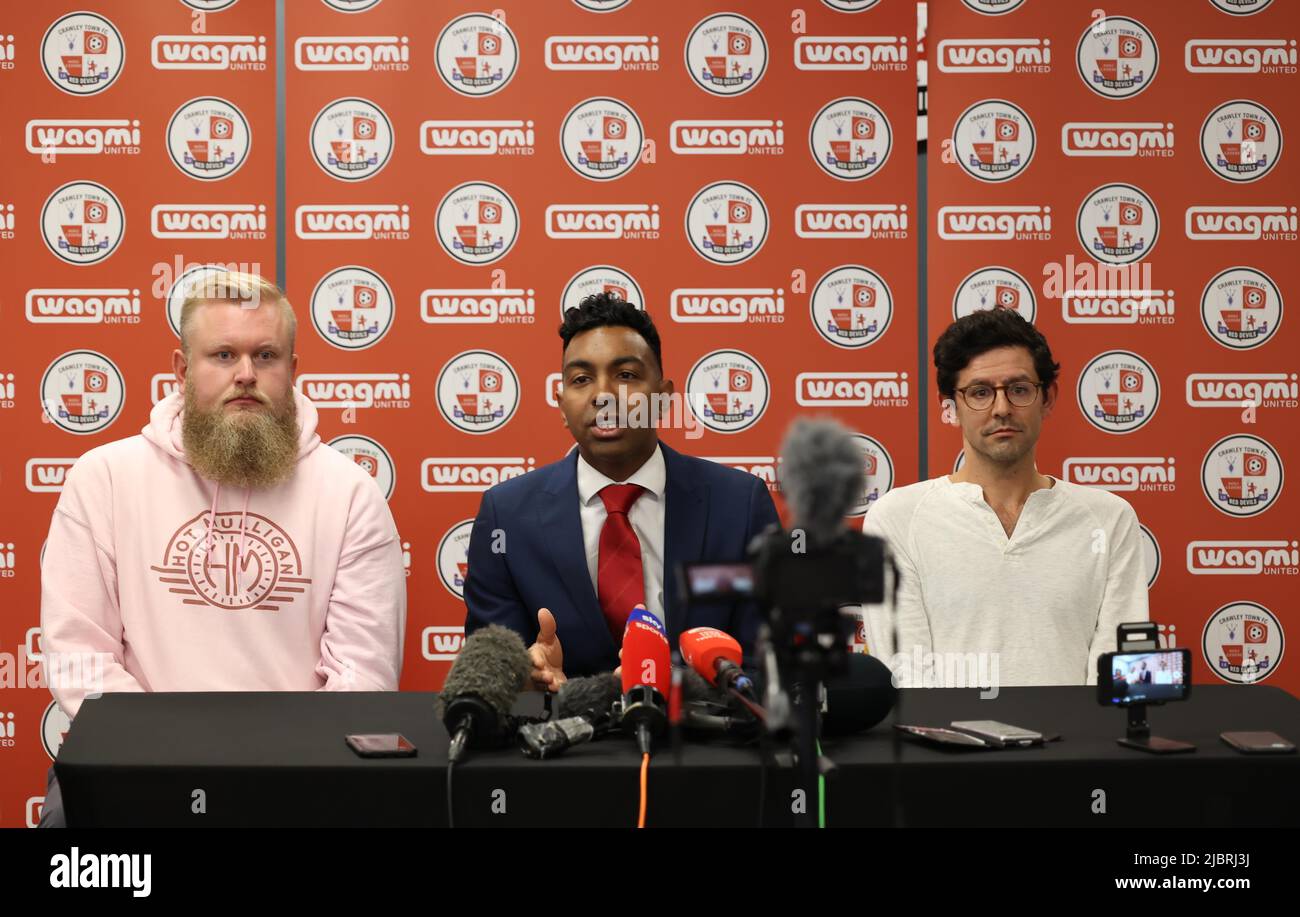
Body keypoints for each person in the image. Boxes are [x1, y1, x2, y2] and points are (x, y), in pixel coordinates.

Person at [38, 271, 405, 826]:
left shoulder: (350, 493)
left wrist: (275, 766)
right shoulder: (105, 479)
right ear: (182, 371)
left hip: (299, 770)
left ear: (294, 371)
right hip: (134, 759)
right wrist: (174, 754)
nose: (246, 375)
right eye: (223, 355)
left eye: (266, 356)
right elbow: (81, 656)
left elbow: (364, 676)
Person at [464, 293, 780, 689]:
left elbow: (767, 661)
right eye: (581, 380)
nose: (603, 394)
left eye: (626, 375)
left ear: (664, 398)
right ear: (562, 405)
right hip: (563, 738)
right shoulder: (506, 515)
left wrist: (675, 684)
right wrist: (526, 675)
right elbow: (488, 667)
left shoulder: (739, 507)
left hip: (700, 741)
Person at [863, 308, 1148, 686]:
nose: (1001, 408)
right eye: (980, 392)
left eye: (1019, 389)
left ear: (1047, 398)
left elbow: (1115, 675)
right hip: (949, 744)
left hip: (1077, 745)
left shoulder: (1110, 518)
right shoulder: (895, 519)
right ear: (951, 405)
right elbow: (909, 681)